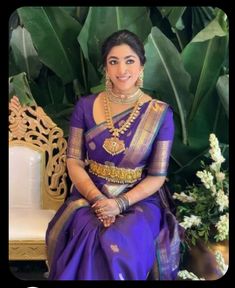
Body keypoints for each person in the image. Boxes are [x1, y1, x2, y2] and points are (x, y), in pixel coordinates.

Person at [45, 29, 183, 280]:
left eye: (130, 60)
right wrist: (99, 201)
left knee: (121, 240)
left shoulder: (160, 114)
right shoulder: (85, 106)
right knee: (88, 232)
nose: (122, 70)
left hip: (138, 198)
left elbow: (157, 176)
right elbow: (74, 161)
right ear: (105, 68)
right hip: (90, 194)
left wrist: (118, 204)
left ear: (141, 65)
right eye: (113, 61)